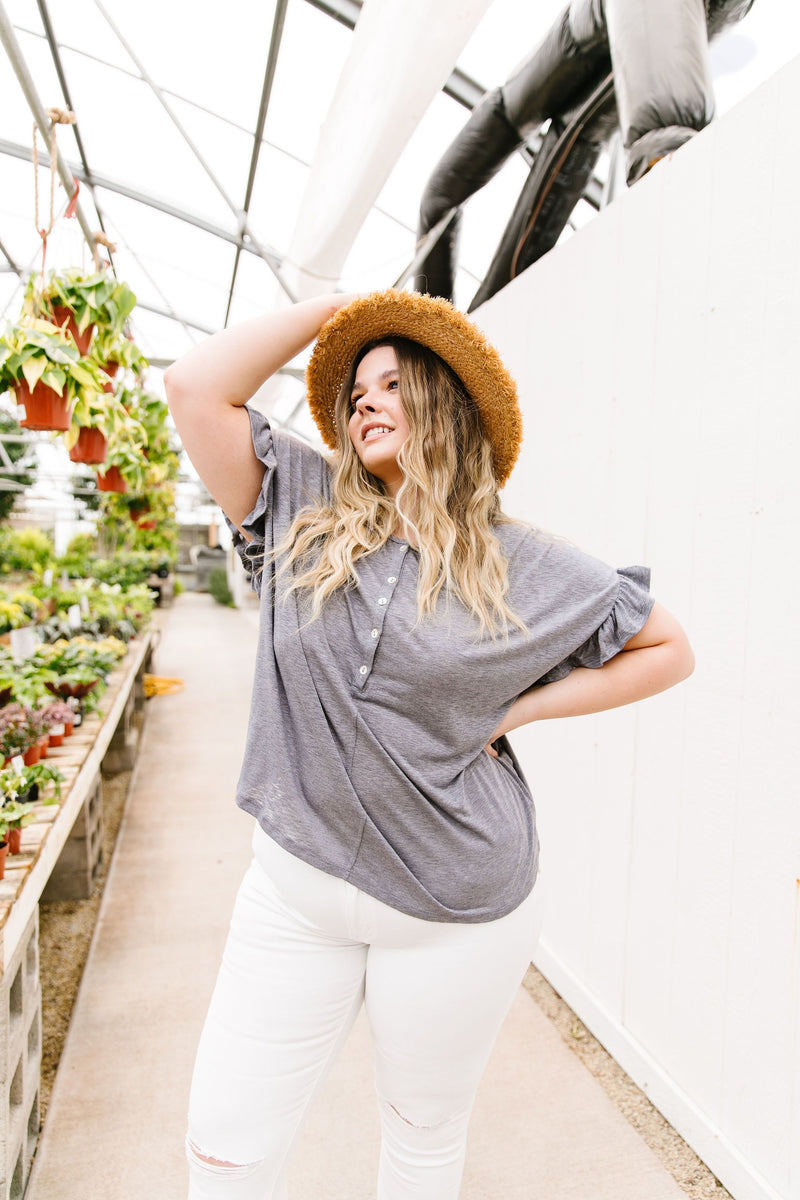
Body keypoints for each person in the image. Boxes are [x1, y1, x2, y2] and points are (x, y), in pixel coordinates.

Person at [165, 288, 694, 1200]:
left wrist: (520, 712)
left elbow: (669, 649)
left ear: (444, 403)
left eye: (390, 383)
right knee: (225, 1149)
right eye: (354, 391)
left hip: (456, 909)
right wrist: (345, 310)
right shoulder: (297, 504)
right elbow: (193, 386)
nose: (363, 401)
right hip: (296, 893)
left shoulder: (525, 563)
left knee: (421, 1144)